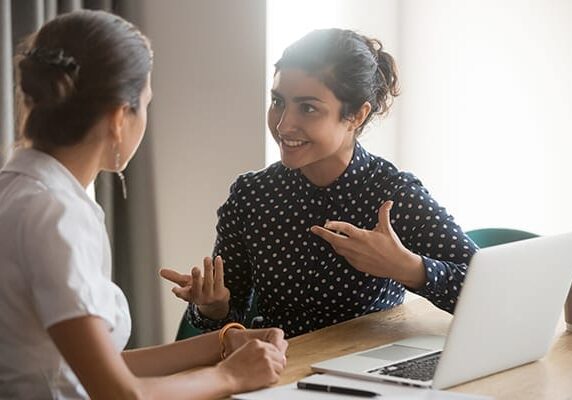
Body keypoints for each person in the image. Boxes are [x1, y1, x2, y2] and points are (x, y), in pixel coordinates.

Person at [0, 10, 287, 400]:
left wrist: (222, 343)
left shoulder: (22, 191)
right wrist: (230, 377)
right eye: (146, 104)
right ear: (120, 117)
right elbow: (118, 393)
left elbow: (83, 368)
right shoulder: (54, 216)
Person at [160, 28, 478, 338]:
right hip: (277, 372)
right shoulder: (252, 195)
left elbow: (486, 292)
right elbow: (229, 325)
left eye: (308, 108)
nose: (283, 125)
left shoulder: (394, 195)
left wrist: (407, 267)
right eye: (278, 102)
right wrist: (213, 308)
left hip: (367, 378)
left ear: (356, 115)